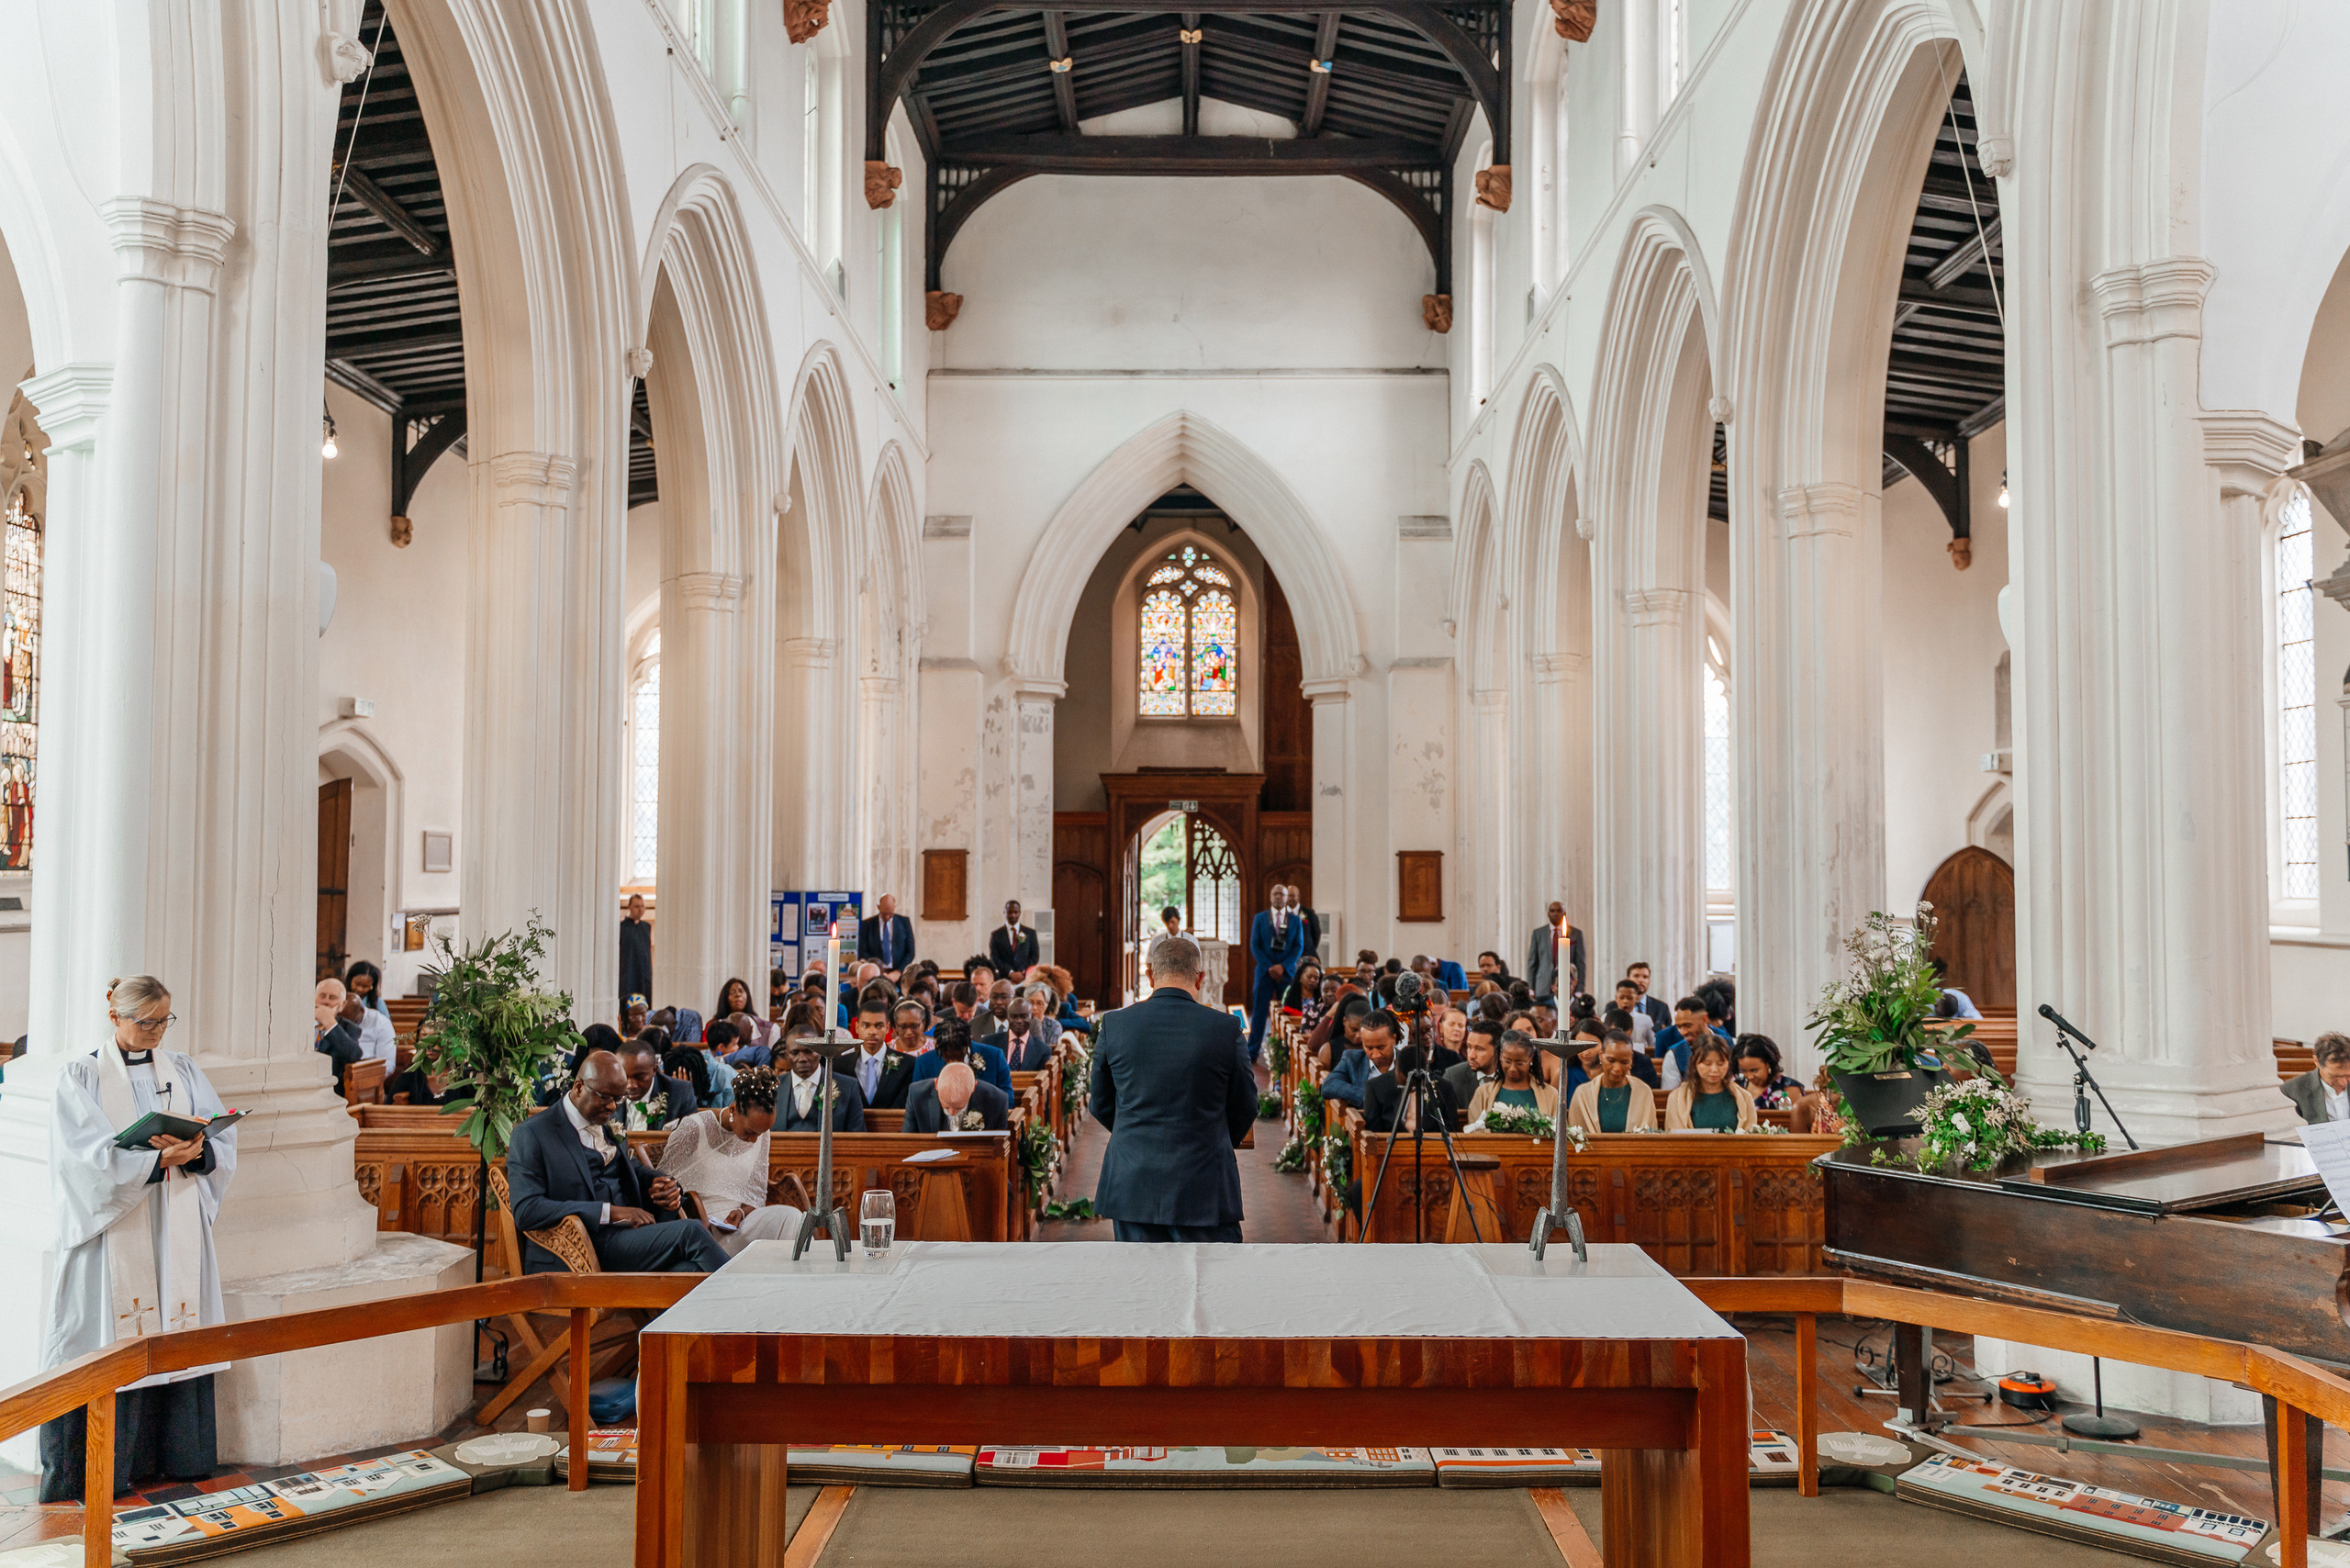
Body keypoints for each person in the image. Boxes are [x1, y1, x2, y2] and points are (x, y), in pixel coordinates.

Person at [39, 976, 239, 1503]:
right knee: (109, 1332)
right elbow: (79, 1159)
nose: (155, 1031)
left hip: (176, 1219)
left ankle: (177, 1457)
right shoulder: (80, 1076)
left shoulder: (183, 1068)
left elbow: (220, 1133)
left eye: (163, 1020)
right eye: (145, 1021)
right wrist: (154, 1161)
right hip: (114, 1232)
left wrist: (195, 1151)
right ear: (115, 1017)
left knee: (179, 1323)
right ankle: (101, 1468)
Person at [1090, 935, 1257, 1242]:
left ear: (1149, 974)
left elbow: (1099, 1101)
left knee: (1141, 1284)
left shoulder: (1115, 1025)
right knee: (1210, 1283)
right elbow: (1246, 1104)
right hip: (1205, 1178)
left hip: (1133, 1179)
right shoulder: (1226, 1028)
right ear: (1201, 978)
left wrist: (1134, 1130)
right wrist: (1215, 1137)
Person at [503, 1049, 728, 1273]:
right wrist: (610, 1212)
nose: (612, 1107)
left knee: (690, 1272)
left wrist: (660, 1182)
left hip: (627, 1239)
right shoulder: (533, 1134)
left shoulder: (608, 1122)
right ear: (579, 1087)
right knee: (692, 1232)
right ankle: (751, 1297)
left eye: (618, 1099)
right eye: (605, 1097)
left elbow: (628, 1167)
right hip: (580, 1248)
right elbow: (526, 1210)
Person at [655, 1067, 806, 1256]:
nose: (753, 1140)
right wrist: (696, 1214)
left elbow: (756, 1194)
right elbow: (663, 1184)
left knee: (792, 1217)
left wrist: (741, 1213)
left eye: (759, 1134)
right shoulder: (695, 1127)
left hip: (739, 1222)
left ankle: (791, 1280)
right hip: (700, 1224)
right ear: (733, 1109)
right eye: (750, 1132)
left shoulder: (761, 1134)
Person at [1361, 1011, 1460, 1133]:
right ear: (1397, 1068)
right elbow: (1372, 1133)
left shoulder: (1444, 1088)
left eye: (1417, 1079)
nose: (1412, 1083)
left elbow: (1450, 1131)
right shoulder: (1376, 1087)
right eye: (1406, 1079)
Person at [1245, 885, 1307, 1062]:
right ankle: (1252, 1052)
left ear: (1287, 898)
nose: (1279, 896)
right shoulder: (1260, 918)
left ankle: (1285, 1051)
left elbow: (1298, 946)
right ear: (1270, 897)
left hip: (1286, 972)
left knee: (1287, 1012)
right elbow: (1254, 945)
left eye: (1282, 894)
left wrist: (1283, 966)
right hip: (1265, 971)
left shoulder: (1295, 920)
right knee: (1259, 1012)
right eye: (1275, 893)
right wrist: (1270, 967)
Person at [907, 1030, 1011, 1131]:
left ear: (973, 1087)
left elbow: (997, 1145)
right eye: (946, 1107)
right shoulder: (917, 1096)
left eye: (959, 1107)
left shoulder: (997, 1101)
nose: (952, 1112)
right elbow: (908, 1141)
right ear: (936, 1085)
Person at [774, 1031, 867, 1132]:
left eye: (809, 1051)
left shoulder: (848, 1087)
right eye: (795, 1053)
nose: (802, 1059)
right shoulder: (774, 1087)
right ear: (787, 1055)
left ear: (819, 1053)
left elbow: (856, 1134)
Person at [1567, 1033, 1660, 1134]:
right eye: (1611, 1060)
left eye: (1624, 1062)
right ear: (1601, 1056)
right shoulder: (1582, 1094)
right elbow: (1574, 1135)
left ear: (1631, 1061)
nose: (1617, 1068)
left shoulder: (1643, 1092)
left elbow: (1650, 1136)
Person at [834, 997, 917, 1110]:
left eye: (879, 1026)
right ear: (857, 1028)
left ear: (887, 1028)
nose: (872, 1032)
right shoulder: (840, 1064)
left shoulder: (908, 1065)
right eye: (866, 1026)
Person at [911, 1006, 1013, 1095]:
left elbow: (1007, 1100)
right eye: (947, 1057)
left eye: (959, 1057)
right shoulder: (924, 1063)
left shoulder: (994, 1057)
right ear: (939, 1048)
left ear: (967, 1045)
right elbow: (917, 1101)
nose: (953, 1062)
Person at [1465, 1031, 1559, 1124]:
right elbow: (1474, 1132)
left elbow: (1558, 1131)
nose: (1512, 1068)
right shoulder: (1483, 1093)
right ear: (1500, 1056)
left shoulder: (1550, 1095)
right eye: (1508, 1061)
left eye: (1519, 1063)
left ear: (1531, 1059)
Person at [1666, 1038, 1759, 1130]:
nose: (1714, 1070)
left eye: (1720, 1064)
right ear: (1695, 1064)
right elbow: (1675, 1137)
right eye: (1707, 1064)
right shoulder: (1677, 1098)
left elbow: (1750, 1137)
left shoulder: (1744, 1097)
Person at [1653, 996, 1735, 1092]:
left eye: (1688, 1026)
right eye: (1679, 1027)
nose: (1683, 1032)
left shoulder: (1732, 1045)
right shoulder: (1673, 1055)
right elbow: (1671, 1095)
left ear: (1704, 1019)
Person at [617, 1036, 698, 1128]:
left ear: (654, 1070)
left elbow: (690, 1135)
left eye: (640, 1077)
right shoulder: (609, 1094)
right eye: (624, 1077)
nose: (631, 1085)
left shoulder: (680, 1092)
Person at [1526, 902, 1586, 1004]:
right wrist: (1531, 987)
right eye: (1552, 911)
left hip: (1566, 982)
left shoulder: (1575, 933)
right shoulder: (1538, 933)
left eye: (1559, 911)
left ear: (1564, 913)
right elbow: (1532, 962)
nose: (1555, 914)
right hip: (1543, 984)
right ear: (1548, 914)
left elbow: (1580, 962)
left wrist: (1580, 988)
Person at [2284, 1032, 2350, 1124]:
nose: (2343, 1082)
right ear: (2317, 1061)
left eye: (2348, 1076)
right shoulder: (2292, 1090)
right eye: (2335, 1076)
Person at [312, 975, 363, 1091]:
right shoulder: (299, 1024)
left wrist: (330, 1024)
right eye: (322, 996)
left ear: (342, 1005)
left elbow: (354, 1056)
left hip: (329, 1090)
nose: (326, 1001)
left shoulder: (350, 1029)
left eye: (332, 997)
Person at [1444, 1017, 1502, 1110]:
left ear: (1498, 1050)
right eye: (1469, 1047)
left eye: (1479, 1049)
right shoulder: (1453, 1077)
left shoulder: (1510, 1077)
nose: (1471, 1055)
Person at [1734, 1035, 1805, 1108]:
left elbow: (1795, 1118)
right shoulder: (1736, 1087)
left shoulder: (1789, 1088)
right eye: (1744, 1071)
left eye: (1754, 1070)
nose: (1749, 1076)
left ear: (1768, 1064)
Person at [858, 893, 916, 980]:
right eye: (884, 914)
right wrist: (878, 970)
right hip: (875, 974)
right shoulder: (867, 925)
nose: (887, 917)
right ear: (878, 907)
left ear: (895, 907)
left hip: (898, 975)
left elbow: (910, 952)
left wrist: (898, 972)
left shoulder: (904, 923)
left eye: (890, 914)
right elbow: (862, 951)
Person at [340, 983, 397, 1070]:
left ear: (362, 1011)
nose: (348, 1025)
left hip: (368, 1072)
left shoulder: (381, 1023)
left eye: (351, 1021)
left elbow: (388, 1064)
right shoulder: (336, 1020)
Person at [713, 977, 772, 1058]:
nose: (738, 995)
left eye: (741, 991)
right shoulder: (714, 1025)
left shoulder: (764, 1027)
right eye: (733, 992)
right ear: (725, 997)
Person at [998, 993, 1057, 1072]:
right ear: (1007, 1017)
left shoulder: (1042, 1050)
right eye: (1014, 1016)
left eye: (1023, 1016)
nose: (1019, 1021)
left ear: (1032, 1017)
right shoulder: (990, 1043)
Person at [619, 893, 654, 1016]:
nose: (640, 909)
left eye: (642, 906)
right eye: (637, 906)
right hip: (628, 972)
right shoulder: (622, 927)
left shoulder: (646, 927)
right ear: (629, 907)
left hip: (644, 972)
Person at [988, 899, 1039, 977]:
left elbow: (1034, 956)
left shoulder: (1030, 933)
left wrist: (1022, 971)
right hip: (1004, 978)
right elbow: (994, 958)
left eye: (1015, 912)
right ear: (1004, 913)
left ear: (1019, 913)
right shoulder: (996, 935)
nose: (1013, 915)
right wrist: (1010, 973)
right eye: (1010, 912)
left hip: (1025, 977)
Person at [1624, 962, 1672, 1033]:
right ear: (1627, 980)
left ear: (1649, 981)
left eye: (1645, 977)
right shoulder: (1614, 1006)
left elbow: (1669, 1034)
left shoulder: (1661, 1008)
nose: (1641, 980)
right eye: (1636, 976)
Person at [1609, 980, 1657, 1049]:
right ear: (1616, 998)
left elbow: (1653, 1044)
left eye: (1630, 998)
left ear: (1637, 998)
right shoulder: (1606, 1017)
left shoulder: (1646, 1019)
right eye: (1622, 998)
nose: (1625, 1001)